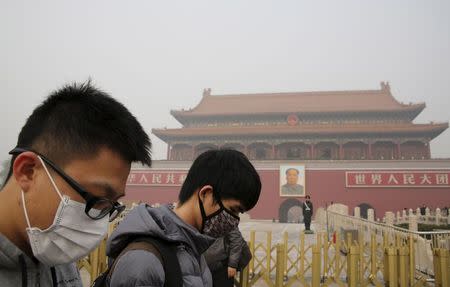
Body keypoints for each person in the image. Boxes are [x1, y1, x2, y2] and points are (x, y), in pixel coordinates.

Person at [0, 82, 152, 287]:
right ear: (27, 171)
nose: (100, 224)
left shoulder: (56, 250)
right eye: (96, 199)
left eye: (111, 206)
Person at [106, 149, 261, 287]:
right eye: (233, 210)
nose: (234, 221)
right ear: (205, 194)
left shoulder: (194, 247)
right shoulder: (143, 262)